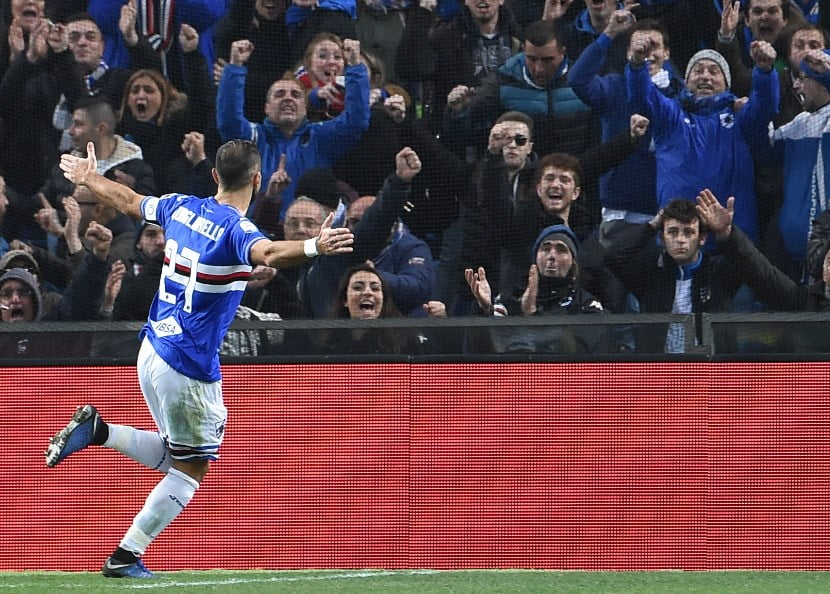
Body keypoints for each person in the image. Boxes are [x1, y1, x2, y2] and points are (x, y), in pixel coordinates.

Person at [44, 138, 355, 578]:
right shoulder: (236, 230)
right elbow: (267, 253)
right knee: (189, 471)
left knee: (179, 454)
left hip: (151, 348)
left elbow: (130, 201)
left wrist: (90, 178)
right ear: (257, 178)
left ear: (214, 176)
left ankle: (100, 430)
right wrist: (313, 248)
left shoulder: (180, 206)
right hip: (188, 364)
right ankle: (126, 556)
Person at [626, 37, 780, 243]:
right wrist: (637, 65)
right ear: (686, 81)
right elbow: (642, 97)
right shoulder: (670, 115)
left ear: (726, 84)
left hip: (733, 236)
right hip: (679, 236)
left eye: (714, 71)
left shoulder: (742, 118)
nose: (705, 76)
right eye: (698, 71)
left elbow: (766, 107)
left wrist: (764, 71)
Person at [216, 37, 370, 221]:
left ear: (305, 107)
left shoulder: (320, 137)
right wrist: (235, 67)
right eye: (279, 94)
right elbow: (228, 120)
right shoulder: (253, 137)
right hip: (260, 231)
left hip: (311, 233)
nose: (287, 98)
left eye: (295, 95)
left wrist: (354, 66)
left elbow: (356, 121)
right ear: (266, 108)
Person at [569, 13, 684, 241]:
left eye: (654, 46)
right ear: (628, 52)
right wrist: (609, 33)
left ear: (667, 52)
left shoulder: (680, 93)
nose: (647, 53)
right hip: (620, 211)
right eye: (640, 46)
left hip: (666, 211)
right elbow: (577, 79)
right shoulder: (614, 86)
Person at [600, 198, 743, 353]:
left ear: (702, 238)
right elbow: (611, 257)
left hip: (710, 371)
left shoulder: (718, 272)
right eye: (672, 232)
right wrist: (651, 226)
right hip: (659, 371)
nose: (680, 240)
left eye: (688, 232)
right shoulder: (649, 274)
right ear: (662, 238)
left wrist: (725, 234)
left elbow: (747, 263)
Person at [444, 19, 596, 161]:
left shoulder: (584, 83)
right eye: (532, 59)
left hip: (570, 177)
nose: (539, 69)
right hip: (518, 179)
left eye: (547, 60)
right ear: (523, 50)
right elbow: (461, 137)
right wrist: (458, 112)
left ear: (562, 52)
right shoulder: (502, 83)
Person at [464, 224, 607, 353]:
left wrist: (534, 315)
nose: (551, 256)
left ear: (573, 263)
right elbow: (481, 352)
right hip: (512, 377)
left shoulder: (587, 305)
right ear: (535, 259)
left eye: (561, 250)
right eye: (546, 248)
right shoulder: (511, 298)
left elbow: (579, 350)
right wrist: (484, 311)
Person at [394, 0, 521, 134]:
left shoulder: (518, 37)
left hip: (510, 131)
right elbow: (409, 70)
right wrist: (423, 13)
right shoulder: (446, 37)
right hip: (459, 134)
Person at [697, 187, 830, 311]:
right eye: (829, 261)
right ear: (823, 267)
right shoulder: (808, 303)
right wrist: (728, 235)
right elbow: (761, 274)